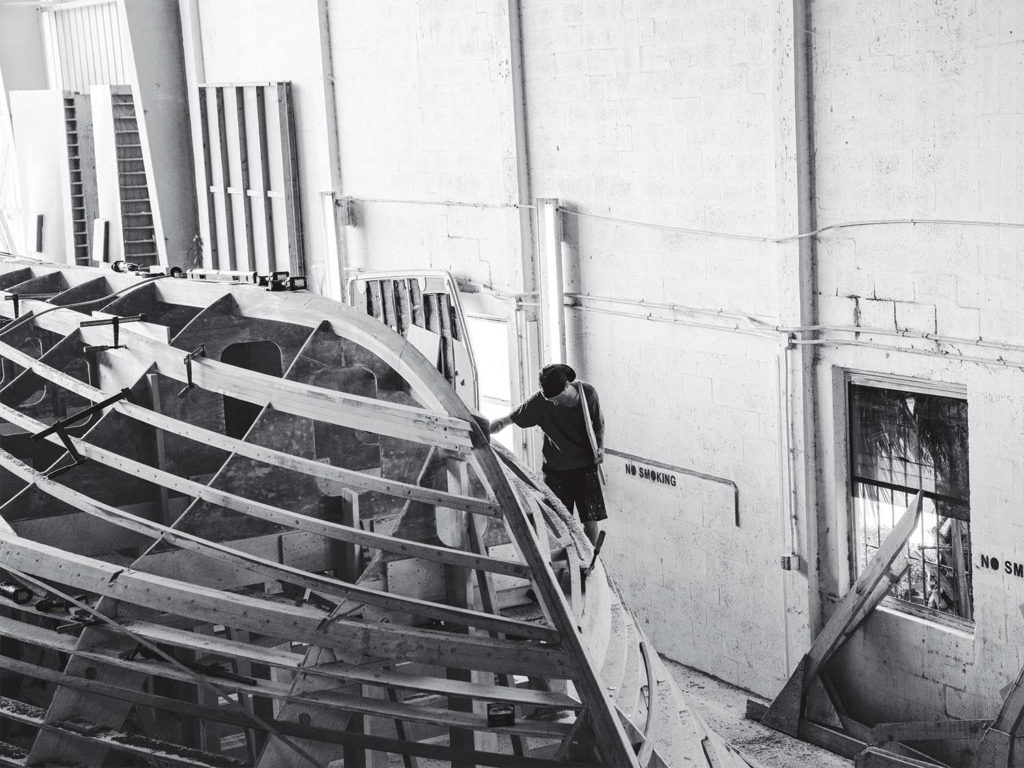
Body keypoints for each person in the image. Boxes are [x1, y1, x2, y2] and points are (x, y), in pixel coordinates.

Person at [486, 363, 606, 544]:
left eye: (557, 399)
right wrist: (482, 430)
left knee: (590, 519)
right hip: (556, 470)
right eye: (550, 400)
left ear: (567, 386)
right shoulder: (540, 402)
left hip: (585, 467)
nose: (554, 403)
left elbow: (597, 424)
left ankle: (592, 565)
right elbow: (505, 421)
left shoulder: (587, 394)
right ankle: (568, 565)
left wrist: (600, 447)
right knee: (557, 523)